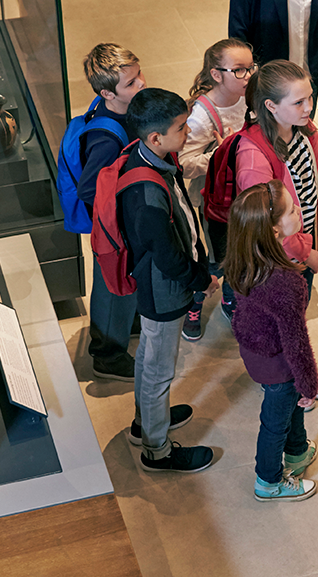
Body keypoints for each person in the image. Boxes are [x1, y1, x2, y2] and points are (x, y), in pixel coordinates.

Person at [119, 88, 219, 473]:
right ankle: (156, 450)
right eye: (181, 128)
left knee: (149, 354)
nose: (188, 133)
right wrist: (200, 279)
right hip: (163, 289)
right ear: (155, 137)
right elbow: (166, 253)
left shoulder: (149, 158)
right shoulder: (146, 191)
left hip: (159, 285)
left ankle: (144, 422)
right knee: (159, 368)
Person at [235, 60, 318, 407]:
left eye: (310, 98)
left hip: (306, 247)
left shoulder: (305, 129)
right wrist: (307, 255)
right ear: (270, 106)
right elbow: (269, 226)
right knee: (286, 325)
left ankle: (294, 373)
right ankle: (288, 379)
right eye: (299, 102)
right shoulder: (254, 157)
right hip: (282, 259)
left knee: (297, 314)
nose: (309, 108)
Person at [225, 180, 318, 502]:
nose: (298, 210)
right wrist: (309, 384)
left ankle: (296, 453)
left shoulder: (245, 259)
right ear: (275, 231)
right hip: (278, 364)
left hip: (255, 351)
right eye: (292, 210)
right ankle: (268, 481)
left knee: (286, 407)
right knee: (274, 422)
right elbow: (297, 343)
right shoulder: (285, 282)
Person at [179, 38, 254, 340]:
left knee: (244, 253)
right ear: (216, 74)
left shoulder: (251, 96)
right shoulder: (200, 116)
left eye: (250, 68)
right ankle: (194, 303)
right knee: (218, 259)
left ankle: (230, 298)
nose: (248, 76)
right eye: (238, 70)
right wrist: (220, 154)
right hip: (216, 202)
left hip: (248, 192)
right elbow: (183, 163)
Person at [80, 43, 145, 381]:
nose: (141, 84)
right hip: (114, 228)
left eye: (138, 76)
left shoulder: (124, 111)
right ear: (108, 92)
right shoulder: (106, 137)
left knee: (124, 285)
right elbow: (90, 189)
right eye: (131, 83)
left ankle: (126, 325)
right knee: (111, 287)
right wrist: (116, 219)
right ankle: (107, 354)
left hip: (126, 221)